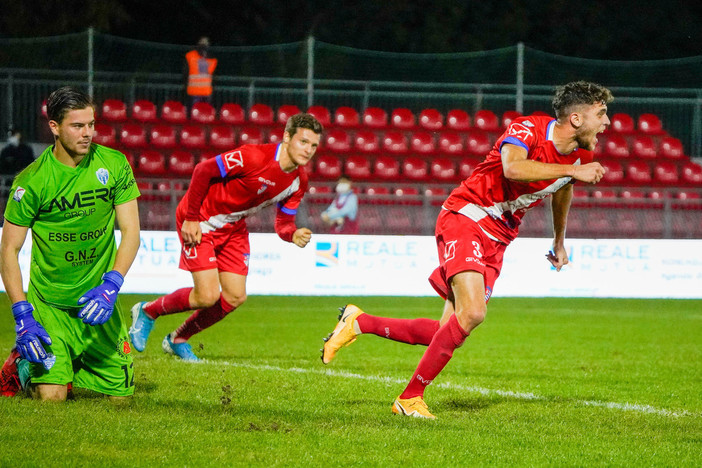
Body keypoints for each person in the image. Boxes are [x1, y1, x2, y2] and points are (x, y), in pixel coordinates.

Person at [321, 81, 612, 419]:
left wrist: (559, 240)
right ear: (576, 118)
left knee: (446, 330)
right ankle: (409, 398)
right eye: (601, 114)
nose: (608, 123)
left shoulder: (582, 155)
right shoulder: (529, 128)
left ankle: (360, 322)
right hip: (468, 215)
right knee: (473, 313)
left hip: (499, 238)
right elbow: (513, 168)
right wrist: (573, 170)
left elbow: (563, 189)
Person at [128, 113, 323, 361]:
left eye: (314, 145)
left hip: (233, 228)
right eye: (303, 142)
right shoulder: (254, 156)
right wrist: (191, 217)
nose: (308, 150)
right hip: (201, 219)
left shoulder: (299, 181)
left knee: (235, 296)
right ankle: (147, 311)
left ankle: (177, 339)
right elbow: (203, 170)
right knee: (207, 296)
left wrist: (292, 233)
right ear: (286, 137)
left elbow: (283, 223)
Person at [0, 86, 141, 401]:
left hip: (97, 305)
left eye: (91, 124)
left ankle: (71, 364)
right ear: (54, 127)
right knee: (52, 399)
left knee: (120, 400)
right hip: (51, 305)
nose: (88, 133)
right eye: (78, 126)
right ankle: (20, 363)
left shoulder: (115, 164)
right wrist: (22, 313)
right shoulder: (31, 182)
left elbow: (131, 231)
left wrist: (112, 283)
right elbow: (9, 249)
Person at [184, 37, 218, 106]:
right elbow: (214, 77)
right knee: (205, 112)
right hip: (206, 91)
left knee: (196, 112)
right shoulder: (212, 58)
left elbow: (185, 73)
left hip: (194, 91)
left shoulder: (190, 55)